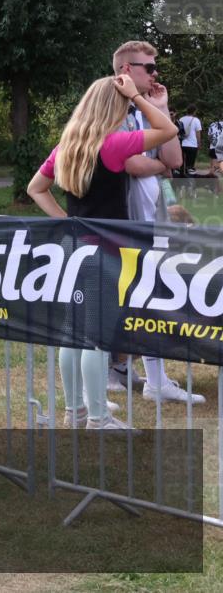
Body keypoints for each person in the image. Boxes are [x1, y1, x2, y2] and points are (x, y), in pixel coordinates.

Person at [26, 74, 179, 430]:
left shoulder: (67, 146)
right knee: (96, 337)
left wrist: (67, 221)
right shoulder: (113, 144)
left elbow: (36, 188)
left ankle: (75, 410)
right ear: (114, 107)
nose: (127, 111)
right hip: (105, 252)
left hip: (72, 248)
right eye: (124, 106)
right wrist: (139, 99)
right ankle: (98, 418)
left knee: (72, 333)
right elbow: (168, 130)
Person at [110, 41, 202, 404]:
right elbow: (129, 164)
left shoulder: (149, 108)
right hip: (124, 217)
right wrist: (160, 165)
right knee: (131, 297)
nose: (155, 73)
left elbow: (175, 159)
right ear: (126, 70)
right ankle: (120, 371)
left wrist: (160, 108)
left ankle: (154, 379)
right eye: (148, 68)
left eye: (155, 67)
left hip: (155, 216)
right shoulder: (112, 106)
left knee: (151, 297)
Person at [178, 104, 202, 174]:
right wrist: (199, 143)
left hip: (182, 144)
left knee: (181, 164)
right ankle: (190, 180)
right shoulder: (196, 120)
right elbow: (198, 133)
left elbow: (178, 131)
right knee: (190, 165)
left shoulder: (181, 119)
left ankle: (181, 179)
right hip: (192, 145)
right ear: (194, 111)